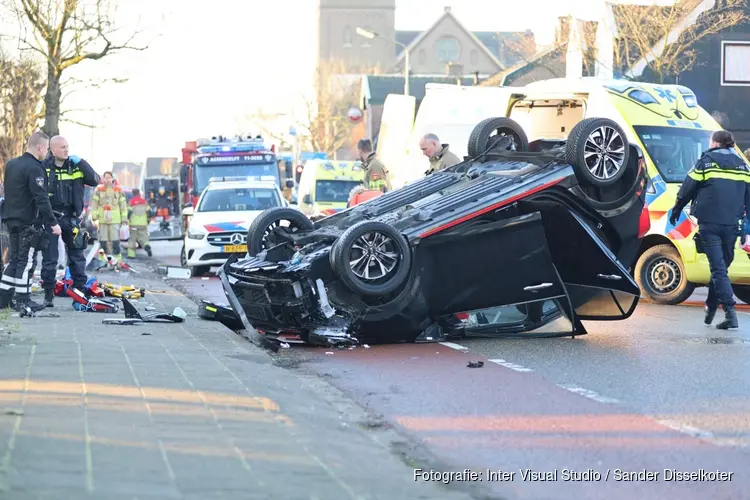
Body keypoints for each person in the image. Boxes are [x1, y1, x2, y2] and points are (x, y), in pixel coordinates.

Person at [669, 130, 750, 329]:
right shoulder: (743, 166)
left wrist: (677, 208)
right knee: (722, 266)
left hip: (709, 224)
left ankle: (730, 314)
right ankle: (711, 305)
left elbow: (688, 187)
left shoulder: (705, 161)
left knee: (718, 268)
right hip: (732, 225)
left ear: (714, 143)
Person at [0, 131, 62, 312]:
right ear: (40, 147)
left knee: (14, 260)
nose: (47, 154)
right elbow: (41, 198)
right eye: (47, 150)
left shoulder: (11, 164)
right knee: (26, 262)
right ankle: (23, 301)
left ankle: (3, 299)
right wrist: (53, 223)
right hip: (28, 221)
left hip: (10, 219)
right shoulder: (35, 167)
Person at [40, 136, 100, 307]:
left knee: (76, 256)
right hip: (51, 218)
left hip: (71, 218)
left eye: (67, 147)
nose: (66, 150)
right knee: (50, 257)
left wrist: (82, 162)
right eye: (62, 147)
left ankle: (80, 291)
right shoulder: (44, 168)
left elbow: (95, 180)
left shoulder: (76, 166)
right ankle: (48, 294)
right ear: (52, 150)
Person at [89, 172, 127, 262]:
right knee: (103, 242)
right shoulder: (99, 191)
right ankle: (103, 260)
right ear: (103, 179)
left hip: (115, 220)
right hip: (102, 221)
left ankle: (117, 260)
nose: (108, 179)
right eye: (106, 178)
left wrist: (124, 219)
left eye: (109, 178)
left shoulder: (118, 190)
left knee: (115, 241)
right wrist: (94, 217)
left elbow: (123, 206)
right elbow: (94, 205)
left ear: (113, 179)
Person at [127, 188, 152, 258]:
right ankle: (146, 246)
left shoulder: (131, 202)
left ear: (133, 194)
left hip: (134, 225)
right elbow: (149, 213)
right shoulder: (144, 202)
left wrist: (127, 220)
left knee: (132, 239)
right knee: (143, 237)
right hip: (143, 224)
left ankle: (131, 255)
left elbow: (128, 213)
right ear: (139, 194)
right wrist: (148, 220)